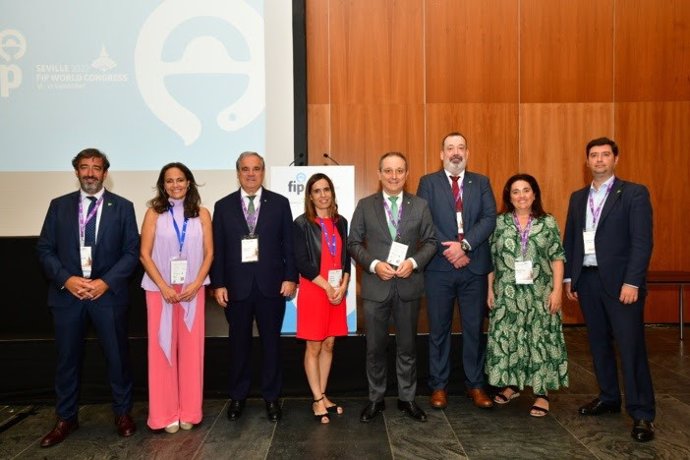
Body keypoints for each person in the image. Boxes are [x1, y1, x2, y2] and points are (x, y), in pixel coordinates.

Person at [36, 148, 139, 447]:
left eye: (96, 168)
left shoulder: (123, 207)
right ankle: (66, 417)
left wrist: (106, 282)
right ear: (77, 172)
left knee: (117, 358)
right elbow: (44, 248)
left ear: (105, 172)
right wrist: (67, 280)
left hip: (107, 296)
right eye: (84, 167)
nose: (90, 173)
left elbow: (132, 251)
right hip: (68, 296)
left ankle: (123, 413)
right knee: (67, 360)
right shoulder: (59, 206)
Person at [563, 137, 655, 442]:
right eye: (593, 155)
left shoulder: (633, 194)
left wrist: (632, 282)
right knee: (598, 343)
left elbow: (642, 243)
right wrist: (569, 279)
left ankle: (642, 413)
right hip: (587, 281)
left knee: (631, 348)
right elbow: (572, 241)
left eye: (605, 155)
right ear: (586, 161)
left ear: (615, 159)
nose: (599, 160)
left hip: (620, 284)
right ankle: (609, 397)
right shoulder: (578, 198)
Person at [348, 152, 437, 423]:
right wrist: (374, 264)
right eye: (388, 171)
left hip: (408, 286)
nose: (394, 176)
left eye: (399, 171)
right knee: (375, 348)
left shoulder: (420, 205)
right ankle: (375, 399)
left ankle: (407, 399)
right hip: (376, 288)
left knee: (407, 348)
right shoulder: (365, 205)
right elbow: (353, 243)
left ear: (407, 174)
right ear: (379, 174)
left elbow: (431, 242)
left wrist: (413, 261)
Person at [210, 151, 297, 423]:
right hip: (236, 288)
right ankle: (238, 397)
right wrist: (218, 283)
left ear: (263, 172)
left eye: (256, 169)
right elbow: (218, 249)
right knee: (239, 345)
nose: (251, 174)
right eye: (245, 169)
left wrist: (291, 277)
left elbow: (289, 246)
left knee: (272, 345)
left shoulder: (280, 204)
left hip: (272, 286)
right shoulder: (222, 206)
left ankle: (272, 398)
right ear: (238, 172)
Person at [417, 132, 497, 410]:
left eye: (460, 147)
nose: (455, 152)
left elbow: (489, 219)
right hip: (439, 268)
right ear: (441, 154)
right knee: (439, 329)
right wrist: (450, 250)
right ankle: (438, 386)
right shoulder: (428, 183)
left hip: (474, 268)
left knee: (474, 329)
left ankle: (475, 385)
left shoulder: (482, 182)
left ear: (467, 153)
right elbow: (424, 221)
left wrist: (464, 246)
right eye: (450, 148)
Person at [485, 173, 568, 417]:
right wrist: (490, 289)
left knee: (539, 341)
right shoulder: (499, 223)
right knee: (509, 339)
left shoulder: (548, 222)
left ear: (534, 194)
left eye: (526, 190)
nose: (521, 196)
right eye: (515, 191)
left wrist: (557, 291)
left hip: (539, 295)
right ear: (509, 197)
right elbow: (490, 259)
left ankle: (541, 394)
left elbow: (557, 258)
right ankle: (511, 385)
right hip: (507, 295)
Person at [140, 163, 213, 433]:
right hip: (160, 291)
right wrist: (164, 287)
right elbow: (144, 254)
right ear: (163, 185)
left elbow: (209, 254)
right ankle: (164, 413)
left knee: (192, 352)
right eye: (169, 181)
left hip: (193, 289)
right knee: (161, 351)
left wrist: (195, 284)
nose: (175, 185)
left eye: (180, 180)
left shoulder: (203, 214)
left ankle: (190, 411)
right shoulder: (153, 213)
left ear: (189, 182)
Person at [293, 173, 350, 424]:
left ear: (332, 192)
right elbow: (302, 263)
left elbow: (346, 257)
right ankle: (316, 399)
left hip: (337, 291)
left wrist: (344, 285)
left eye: (326, 189)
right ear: (310, 196)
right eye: (317, 191)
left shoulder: (341, 222)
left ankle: (323, 394)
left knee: (329, 344)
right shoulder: (302, 224)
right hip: (316, 290)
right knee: (314, 346)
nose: (323, 194)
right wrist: (327, 287)